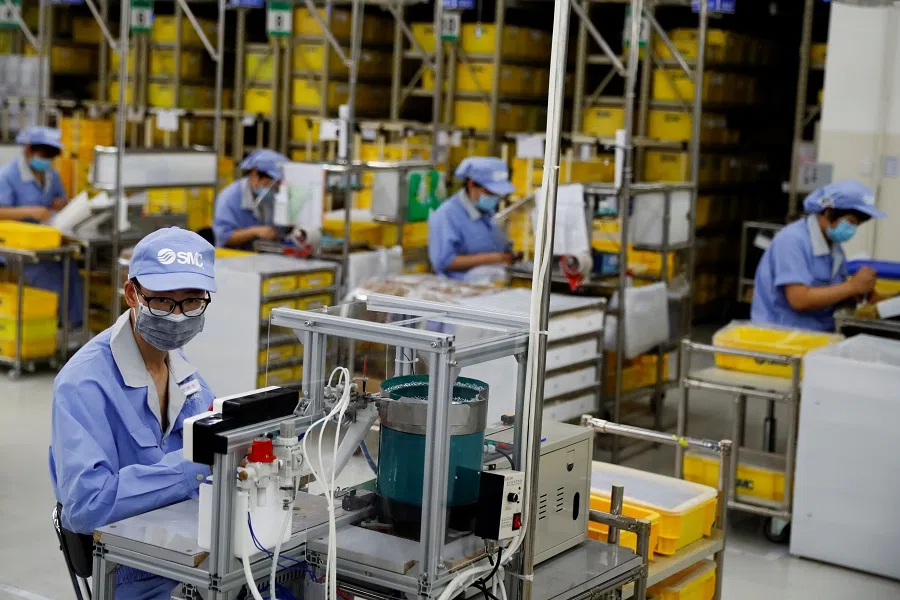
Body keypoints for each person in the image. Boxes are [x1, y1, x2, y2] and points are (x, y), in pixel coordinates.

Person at [50, 227, 217, 600]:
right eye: (161, 302)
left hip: (192, 556)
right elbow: (86, 506)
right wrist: (192, 467)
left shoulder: (185, 375)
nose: (177, 317)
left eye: (191, 302)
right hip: (134, 574)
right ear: (132, 295)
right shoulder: (84, 384)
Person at [751, 180, 885, 332]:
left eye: (856, 225)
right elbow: (799, 299)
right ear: (828, 211)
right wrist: (852, 286)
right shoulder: (792, 240)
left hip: (817, 335)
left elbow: (830, 293)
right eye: (850, 222)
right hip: (781, 337)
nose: (852, 230)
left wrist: (856, 294)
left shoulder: (835, 248)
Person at [0, 126, 83, 328]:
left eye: (52, 155)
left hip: (48, 242)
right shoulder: (8, 176)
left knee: (71, 271)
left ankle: (74, 328)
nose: (48, 160)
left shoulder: (51, 176)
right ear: (28, 149)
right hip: (20, 246)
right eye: (45, 154)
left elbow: (62, 199)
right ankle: (54, 329)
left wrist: (62, 203)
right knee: (51, 277)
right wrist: (30, 211)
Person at [428, 156, 517, 281]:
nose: (495, 198)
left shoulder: (487, 212)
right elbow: (444, 261)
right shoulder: (447, 214)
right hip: (460, 289)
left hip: (491, 284)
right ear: (472, 184)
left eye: (499, 194)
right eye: (490, 192)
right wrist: (496, 258)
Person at [213, 148, 290, 249]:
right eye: (270, 185)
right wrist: (254, 232)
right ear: (254, 175)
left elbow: (281, 230)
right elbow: (223, 237)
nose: (274, 190)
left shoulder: (274, 198)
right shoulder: (229, 198)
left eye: (277, 185)